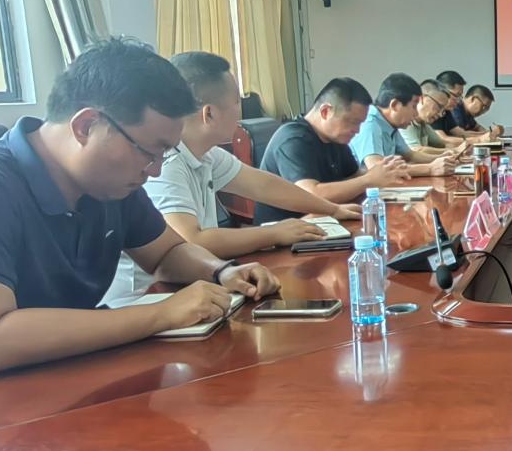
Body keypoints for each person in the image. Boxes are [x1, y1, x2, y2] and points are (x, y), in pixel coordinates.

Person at [0, 38, 280, 391]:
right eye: (149, 151)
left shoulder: (108, 184)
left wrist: (221, 272)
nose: (156, 170)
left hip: (49, 378)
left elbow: (166, 253)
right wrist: (160, 314)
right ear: (87, 125)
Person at [104, 52, 364, 302]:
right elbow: (190, 240)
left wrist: (332, 209)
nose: (241, 112)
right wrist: (273, 233)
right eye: (237, 102)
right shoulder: (165, 162)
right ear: (209, 113)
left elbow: (264, 185)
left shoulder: (207, 154)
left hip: (193, 284)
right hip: (147, 297)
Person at [256, 77, 409, 224]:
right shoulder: (293, 139)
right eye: (352, 122)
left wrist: (384, 171)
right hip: (285, 231)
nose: (357, 130)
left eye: (360, 124)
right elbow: (311, 194)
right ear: (325, 111)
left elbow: (353, 176)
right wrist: (368, 179)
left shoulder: (336, 138)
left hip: (327, 219)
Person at [351, 73, 458, 177]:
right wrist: (430, 168)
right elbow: (377, 168)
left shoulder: (390, 123)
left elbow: (410, 155)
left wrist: (441, 158)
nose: (415, 113)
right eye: (414, 106)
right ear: (395, 105)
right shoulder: (370, 123)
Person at [401, 79, 470, 159]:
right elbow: (416, 150)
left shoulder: (424, 124)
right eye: (439, 107)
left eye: (443, 110)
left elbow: (442, 144)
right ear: (421, 99)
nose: (440, 114)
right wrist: (454, 150)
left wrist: (456, 149)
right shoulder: (405, 120)